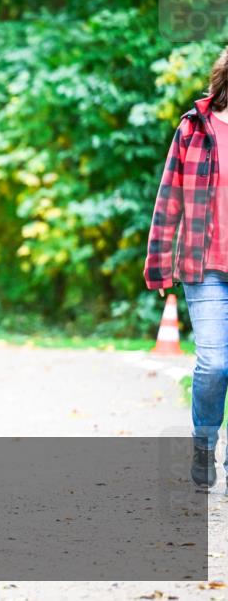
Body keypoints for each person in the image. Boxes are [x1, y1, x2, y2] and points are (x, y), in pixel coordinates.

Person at [144, 45, 228, 494]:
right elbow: (169, 197)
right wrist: (159, 264)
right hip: (205, 264)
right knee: (214, 364)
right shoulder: (195, 128)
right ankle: (204, 440)